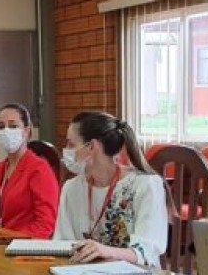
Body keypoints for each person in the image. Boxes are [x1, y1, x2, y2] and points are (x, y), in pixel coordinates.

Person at [53, 111, 168, 267]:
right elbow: (63, 245)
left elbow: (145, 252)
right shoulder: (71, 188)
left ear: (91, 146)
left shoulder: (145, 185)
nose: (66, 150)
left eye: (72, 145)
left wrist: (105, 251)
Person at [0, 103, 59, 239]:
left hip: (24, 246)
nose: (6, 131)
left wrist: (13, 242)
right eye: (1, 127)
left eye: (13, 126)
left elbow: (45, 224)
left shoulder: (39, 170)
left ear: (26, 131)